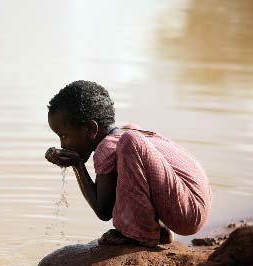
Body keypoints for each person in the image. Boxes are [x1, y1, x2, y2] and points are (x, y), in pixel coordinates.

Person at [45, 80, 212, 247]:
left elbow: (103, 210)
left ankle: (142, 234)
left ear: (91, 129)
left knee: (130, 141)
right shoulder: (121, 136)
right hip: (194, 205)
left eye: (64, 136)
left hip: (189, 211)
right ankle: (158, 230)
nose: (62, 145)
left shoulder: (111, 145)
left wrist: (78, 166)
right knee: (130, 136)